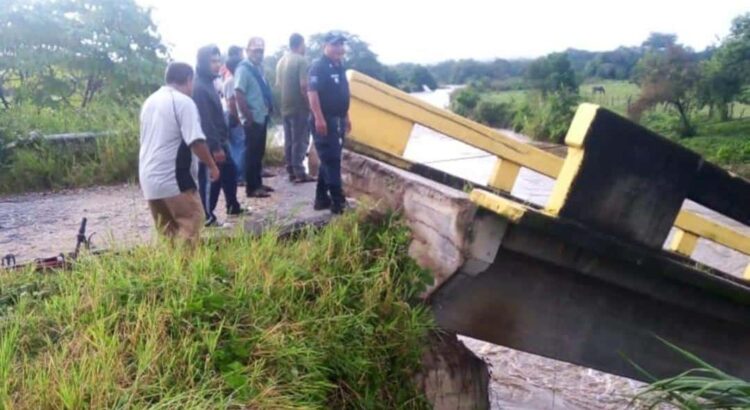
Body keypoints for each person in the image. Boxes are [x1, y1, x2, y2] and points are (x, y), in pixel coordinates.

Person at [138, 62, 219, 246]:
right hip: (174, 178)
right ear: (189, 80)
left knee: (169, 235)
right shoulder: (183, 102)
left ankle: (172, 272)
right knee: (192, 224)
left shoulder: (150, 101)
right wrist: (212, 166)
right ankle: (188, 273)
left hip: (149, 179)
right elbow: (196, 141)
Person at [193, 45, 245, 226]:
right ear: (203, 63)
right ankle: (206, 215)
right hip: (211, 143)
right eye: (213, 61)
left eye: (218, 60)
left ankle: (233, 206)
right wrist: (215, 147)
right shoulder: (199, 87)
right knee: (211, 179)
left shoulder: (209, 83)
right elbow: (206, 121)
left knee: (230, 172)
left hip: (221, 139)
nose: (217, 65)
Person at [308, 32, 352, 214]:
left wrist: (346, 115)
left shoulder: (339, 65)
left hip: (339, 119)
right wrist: (319, 117)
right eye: (335, 45)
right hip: (325, 121)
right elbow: (312, 93)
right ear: (325, 46)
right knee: (332, 160)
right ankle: (338, 202)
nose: (339, 49)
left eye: (341, 45)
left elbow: (342, 93)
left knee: (329, 160)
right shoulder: (318, 67)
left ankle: (321, 199)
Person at [235, 37, 274, 198]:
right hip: (253, 118)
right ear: (247, 51)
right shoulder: (243, 69)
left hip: (261, 115)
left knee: (259, 152)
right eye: (256, 50)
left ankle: (258, 183)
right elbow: (238, 92)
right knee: (252, 153)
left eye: (261, 51)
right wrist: (247, 116)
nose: (259, 54)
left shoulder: (258, 68)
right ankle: (252, 187)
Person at [276, 33, 316, 183]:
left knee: (289, 140)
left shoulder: (281, 61)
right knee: (300, 140)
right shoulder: (301, 61)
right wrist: (310, 105)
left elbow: (278, 85)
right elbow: (303, 86)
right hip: (299, 107)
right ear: (301, 44)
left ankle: (291, 170)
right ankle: (299, 171)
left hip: (285, 106)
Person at [223, 55, 246, 185]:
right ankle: (239, 176)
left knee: (235, 146)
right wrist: (239, 118)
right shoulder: (232, 81)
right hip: (234, 117)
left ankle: (238, 175)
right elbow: (231, 102)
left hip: (230, 116)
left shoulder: (229, 80)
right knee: (239, 146)